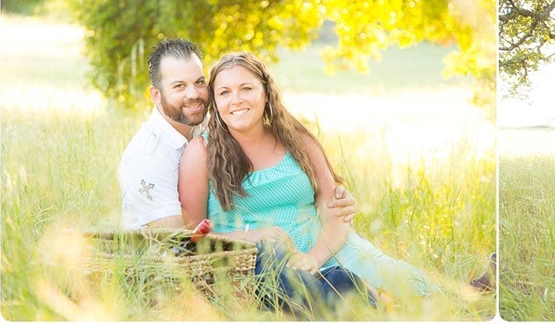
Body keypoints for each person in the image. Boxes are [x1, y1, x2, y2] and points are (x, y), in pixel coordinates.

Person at [119, 39, 363, 312]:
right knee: (271, 260)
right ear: (156, 94)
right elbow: (183, 242)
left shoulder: (204, 126)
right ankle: (345, 294)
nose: (194, 94)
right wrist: (256, 236)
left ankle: (342, 292)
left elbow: (331, 203)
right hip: (173, 277)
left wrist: (339, 202)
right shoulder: (147, 157)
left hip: (280, 258)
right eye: (179, 86)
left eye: (199, 83)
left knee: (277, 265)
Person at [178, 52, 438, 305]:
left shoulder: (296, 139)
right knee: (353, 301)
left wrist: (315, 257)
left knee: (424, 296)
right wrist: (255, 236)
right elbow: (194, 235)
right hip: (269, 268)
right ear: (214, 101)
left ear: (265, 93)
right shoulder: (201, 152)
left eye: (246, 88)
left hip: (331, 249)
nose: (236, 100)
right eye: (224, 92)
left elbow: (335, 210)